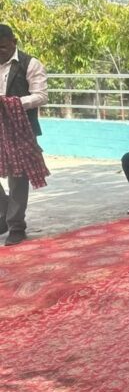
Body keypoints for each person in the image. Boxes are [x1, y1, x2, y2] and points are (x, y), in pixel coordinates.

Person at [0, 24, 48, 246]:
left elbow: (41, 96)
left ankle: (16, 226)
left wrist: (11, 103)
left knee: (17, 178)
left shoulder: (30, 64)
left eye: (2, 47)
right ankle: (5, 213)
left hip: (20, 128)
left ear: (14, 42)